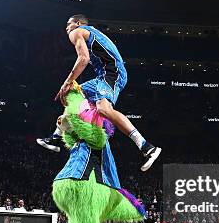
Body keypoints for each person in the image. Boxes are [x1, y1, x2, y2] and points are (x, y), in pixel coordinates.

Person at [37, 14, 161, 171]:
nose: (66, 28)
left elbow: (83, 59)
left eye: (68, 24)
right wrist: (68, 85)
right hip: (104, 75)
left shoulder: (77, 32)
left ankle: (147, 147)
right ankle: (55, 138)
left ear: (78, 23)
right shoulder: (92, 32)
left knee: (103, 109)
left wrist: (66, 82)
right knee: (72, 93)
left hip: (112, 73)